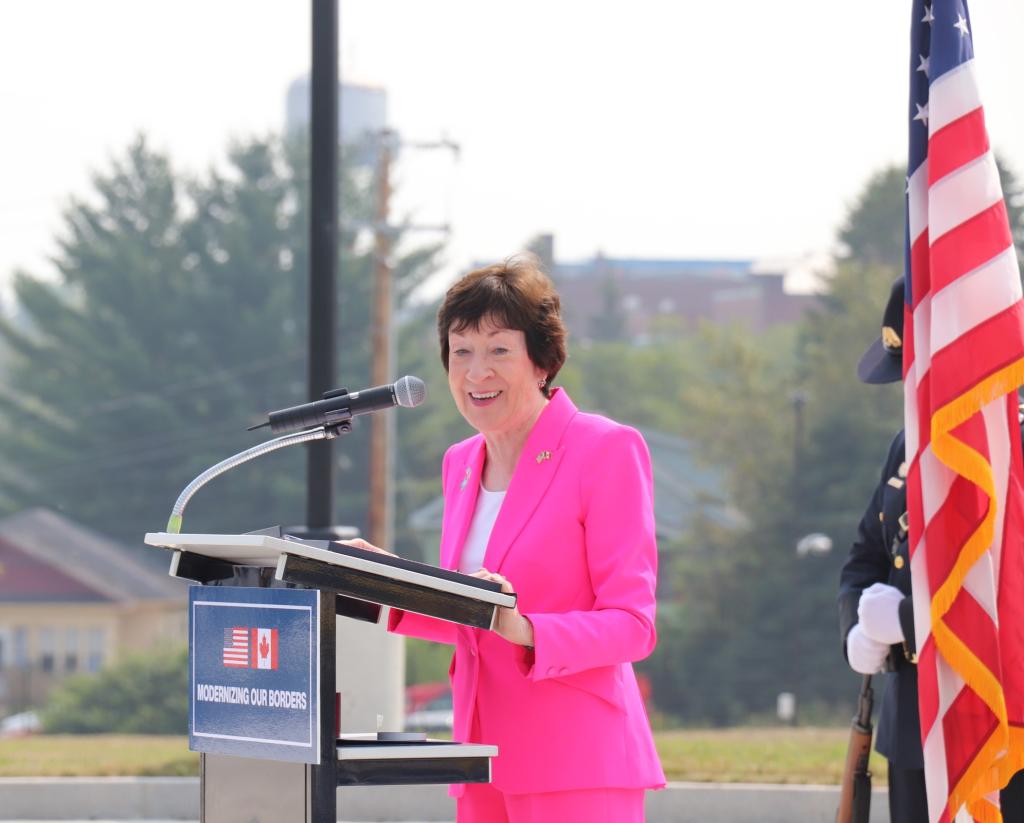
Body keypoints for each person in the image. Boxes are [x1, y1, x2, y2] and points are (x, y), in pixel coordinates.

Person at [346, 254, 665, 822]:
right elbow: (478, 616)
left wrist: (527, 629)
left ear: (542, 362)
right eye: (461, 351)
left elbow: (633, 626)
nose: (476, 372)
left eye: (498, 350)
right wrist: (387, 587)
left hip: (576, 761)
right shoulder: (461, 463)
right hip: (480, 757)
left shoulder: (604, 450)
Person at [838, 277, 1023, 822]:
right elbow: (866, 552)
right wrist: (855, 624)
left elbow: (1011, 588)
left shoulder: (1009, 445)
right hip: (915, 721)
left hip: (1003, 724)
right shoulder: (909, 443)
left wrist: (912, 621)